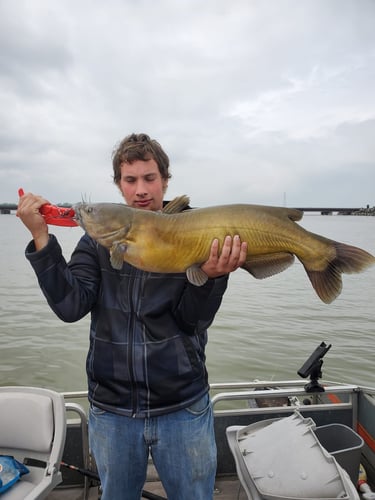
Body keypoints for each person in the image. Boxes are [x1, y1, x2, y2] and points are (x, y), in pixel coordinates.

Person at [17, 133, 247, 500]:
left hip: (182, 405)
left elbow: (193, 322)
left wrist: (212, 278)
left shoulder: (195, 232)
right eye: (130, 179)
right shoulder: (96, 241)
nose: (141, 189)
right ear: (119, 186)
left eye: (149, 178)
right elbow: (71, 306)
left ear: (165, 180)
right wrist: (43, 240)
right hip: (113, 409)